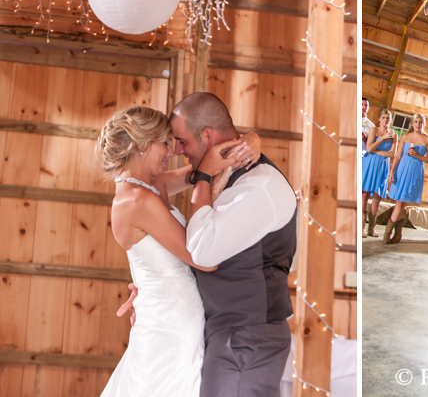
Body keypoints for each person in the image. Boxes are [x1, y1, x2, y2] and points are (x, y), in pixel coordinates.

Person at [118, 92, 297, 397]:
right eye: (168, 142)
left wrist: (246, 142)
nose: (176, 151)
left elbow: (202, 252)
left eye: (180, 141)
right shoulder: (144, 194)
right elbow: (192, 248)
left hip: (245, 336)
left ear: (207, 135)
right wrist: (148, 290)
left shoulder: (257, 184)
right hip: (210, 330)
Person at [96, 106, 259, 397]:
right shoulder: (136, 201)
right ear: (140, 145)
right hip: (170, 325)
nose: (172, 152)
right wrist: (206, 178)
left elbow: (208, 164)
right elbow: (202, 258)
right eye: (165, 143)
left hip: (179, 314)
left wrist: (251, 139)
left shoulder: (149, 186)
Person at [385, 113, 428, 244]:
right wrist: (392, 171)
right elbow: (397, 156)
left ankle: (388, 233)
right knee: (400, 202)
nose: (418, 125)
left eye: (420, 122)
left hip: (415, 170)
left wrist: (418, 155)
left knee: (401, 202)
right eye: (416, 122)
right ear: (412, 123)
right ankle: (395, 234)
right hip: (402, 169)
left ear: (423, 124)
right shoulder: (405, 137)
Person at [361, 109, 396, 238]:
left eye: (388, 118)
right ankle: (361, 227)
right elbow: (369, 148)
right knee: (364, 195)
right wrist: (382, 138)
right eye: (383, 117)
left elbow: (392, 154)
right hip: (369, 164)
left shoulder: (394, 135)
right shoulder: (373, 131)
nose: (386, 120)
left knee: (377, 197)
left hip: (383, 166)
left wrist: (376, 151)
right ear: (379, 119)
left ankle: (372, 227)